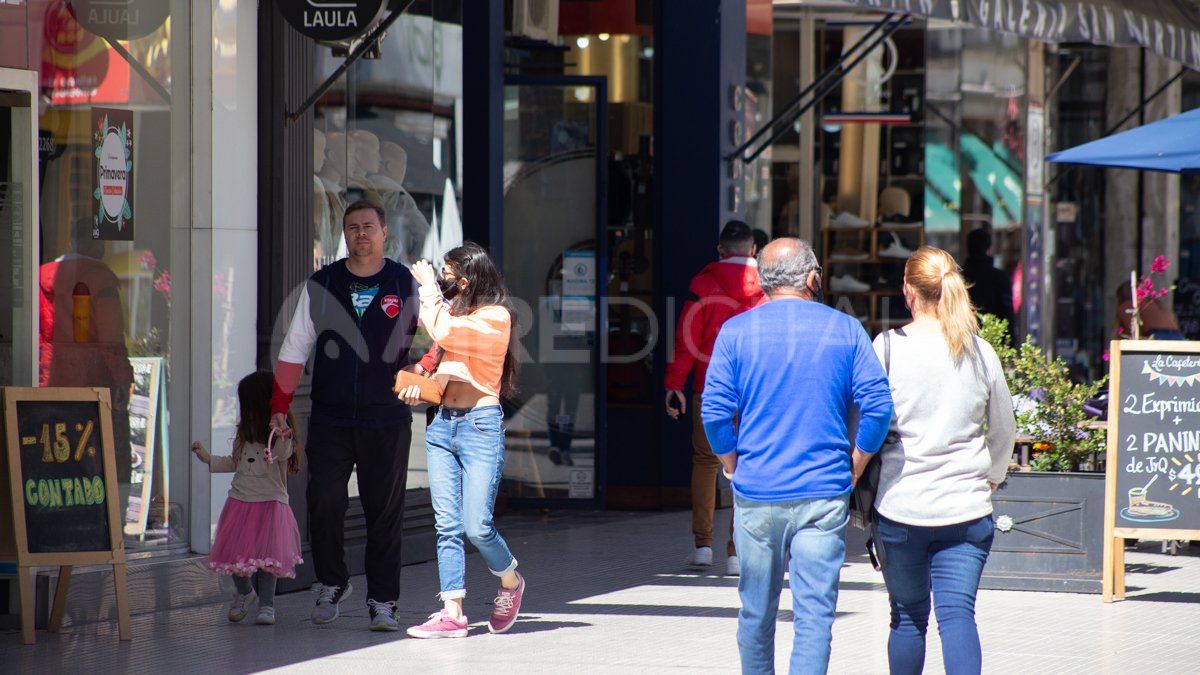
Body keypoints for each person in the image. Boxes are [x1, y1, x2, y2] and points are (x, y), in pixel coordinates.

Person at [702, 238, 893, 674]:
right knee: (814, 616)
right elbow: (878, 406)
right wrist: (857, 462)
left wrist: (732, 464)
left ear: (763, 282)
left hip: (756, 492)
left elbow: (714, 414)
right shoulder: (845, 329)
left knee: (755, 612)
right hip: (823, 493)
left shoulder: (736, 331)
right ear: (812, 278)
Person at [270, 199, 421, 631]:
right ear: (344, 233)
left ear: (384, 232)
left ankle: (383, 601)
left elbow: (436, 337)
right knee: (324, 501)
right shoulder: (322, 284)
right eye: (352, 227)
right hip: (332, 417)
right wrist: (279, 408)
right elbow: (294, 349)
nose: (361, 234)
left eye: (369, 226)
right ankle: (332, 583)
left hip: (387, 417)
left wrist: (422, 371)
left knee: (383, 511)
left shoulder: (404, 283)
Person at [872, 247, 1016, 675]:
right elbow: (1003, 428)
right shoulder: (979, 351)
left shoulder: (887, 349)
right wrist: (991, 477)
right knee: (957, 617)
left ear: (909, 292)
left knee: (908, 618)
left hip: (901, 507)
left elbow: (866, 426)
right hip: (966, 508)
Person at [398, 242, 525, 638]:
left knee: (478, 526)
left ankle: (510, 582)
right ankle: (452, 611)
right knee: (447, 526)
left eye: (447, 279)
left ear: (468, 280)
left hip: (480, 427)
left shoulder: (496, 316)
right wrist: (421, 387)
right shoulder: (456, 314)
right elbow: (442, 360)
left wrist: (427, 290)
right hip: (442, 427)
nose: (442, 285)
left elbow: (445, 328)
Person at [665, 220, 765, 576]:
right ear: (753, 251)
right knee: (747, 466)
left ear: (720, 250)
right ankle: (737, 551)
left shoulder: (703, 284)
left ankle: (703, 547)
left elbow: (686, 339)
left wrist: (674, 383)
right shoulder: (768, 288)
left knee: (706, 463)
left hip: (710, 387)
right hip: (754, 390)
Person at [191, 371, 304, 626]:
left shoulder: (279, 435)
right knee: (234, 555)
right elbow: (234, 462)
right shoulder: (243, 435)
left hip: (270, 504)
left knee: (268, 560)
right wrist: (208, 458)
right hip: (241, 502)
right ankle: (245, 592)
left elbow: (283, 454)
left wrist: (282, 431)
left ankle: (267, 605)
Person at [39, 217, 134, 495]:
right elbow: (111, 338)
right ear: (98, 245)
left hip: (50, 380)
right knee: (98, 457)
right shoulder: (100, 277)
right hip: (91, 382)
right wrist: (122, 378)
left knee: (54, 454)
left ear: (71, 241)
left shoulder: (42, 275)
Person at [961, 229, 1015, 334]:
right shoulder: (999, 276)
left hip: (964, 337)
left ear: (967, 249)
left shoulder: (958, 277)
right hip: (994, 337)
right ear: (989, 249)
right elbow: (1007, 314)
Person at [1116, 281, 1185, 340]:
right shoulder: (1154, 302)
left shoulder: (1127, 305)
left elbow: (1132, 330)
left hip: (1157, 335)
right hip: (1178, 335)